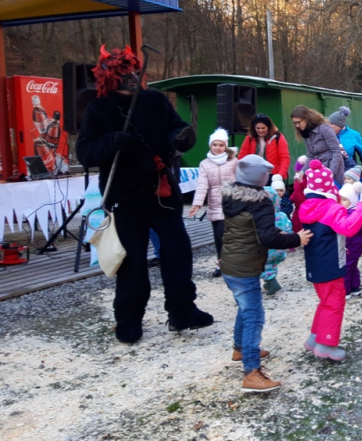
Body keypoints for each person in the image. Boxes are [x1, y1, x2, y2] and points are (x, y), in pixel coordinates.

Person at [76, 45, 212, 344]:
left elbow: (177, 133)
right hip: (124, 196)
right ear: (111, 76)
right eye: (125, 73)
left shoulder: (156, 101)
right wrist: (112, 140)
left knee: (178, 252)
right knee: (133, 261)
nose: (132, 77)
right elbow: (85, 152)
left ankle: (182, 311)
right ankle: (128, 320)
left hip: (161, 191)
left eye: (135, 71)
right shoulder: (99, 108)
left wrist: (180, 138)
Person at [219, 155, 311, 391]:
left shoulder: (230, 196)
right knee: (254, 316)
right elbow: (268, 237)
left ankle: (240, 349)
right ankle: (251, 372)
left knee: (245, 308)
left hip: (230, 263)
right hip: (246, 266)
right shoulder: (260, 202)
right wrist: (296, 239)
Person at [299, 160, 362, 360]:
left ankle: (315, 337)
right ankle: (326, 344)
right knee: (335, 303)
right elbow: (348, 228)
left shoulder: (307, 207)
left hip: (315, 264)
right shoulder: (331, 208)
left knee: (325, 301)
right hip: (332, 263)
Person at [189, 128, 238, 277]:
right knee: (217, 237)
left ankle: (232, 263)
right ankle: (221, 264)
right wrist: (197, 204)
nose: (217, 148)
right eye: (214, 144)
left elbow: (241, 181)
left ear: (226, 146)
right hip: (214, 204)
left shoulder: (234, 162)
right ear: (210, 145)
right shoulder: (204, 163)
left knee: (222, 233)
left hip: (230, 203)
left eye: (221, 145)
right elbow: (202, 184)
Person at [291, 105, 345, 185]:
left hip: (333, 171)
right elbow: (311, 156)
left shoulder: (324, 129)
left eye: (298, 122)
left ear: (306, 119)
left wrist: (331, 173)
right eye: (294, 123)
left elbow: (336, 152)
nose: (297, 126)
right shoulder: (305, 133)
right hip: (317, 173)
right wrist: (302, 171)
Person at [260, 185, 292, 296]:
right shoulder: (282, 215)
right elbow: (289, 228)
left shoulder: (261, 217)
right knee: (272, 265)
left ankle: (272, 282)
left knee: (263, 265)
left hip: (266, 249)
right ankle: (269, 283)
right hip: (280, 248)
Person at [238, 114, 290, 180]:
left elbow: (285, 158)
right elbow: (242, 157)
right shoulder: (249, 138)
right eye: (258, 128)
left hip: (273, 176)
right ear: (254, 128)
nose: (260, 131)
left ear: (268, 127)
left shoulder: (278, 137)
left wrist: (280, 176)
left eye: (263, 128)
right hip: (254, 175)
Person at [339, 183, 362, 299]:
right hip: (354, 245)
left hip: (351, 246)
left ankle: (346, 291)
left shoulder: (352, 214)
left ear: (353, 201)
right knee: (353, 267)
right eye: (340, 199)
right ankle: (355, 288)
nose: (341, 202)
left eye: (344, 200)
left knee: (346, 268)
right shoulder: (353, 212)